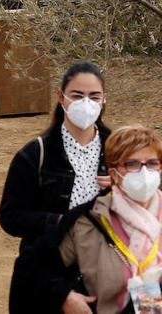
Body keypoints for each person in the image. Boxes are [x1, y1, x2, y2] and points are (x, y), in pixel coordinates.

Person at [0, 61, 112, 313]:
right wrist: (60, 222)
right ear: (61, 97)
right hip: (48, 275)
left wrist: (123, 188)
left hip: (107, 276)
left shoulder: (119, 154)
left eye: (94, 96)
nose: (86, 103)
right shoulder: (35, 154)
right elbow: (10, 217)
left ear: (104, 99)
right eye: (77, 95)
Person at [37, 125, 162, 314]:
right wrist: (64, 296)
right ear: (114, 174)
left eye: (152, 163)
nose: (144, 173)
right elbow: (37, 268)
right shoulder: (87, 221)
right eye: (132, 164)